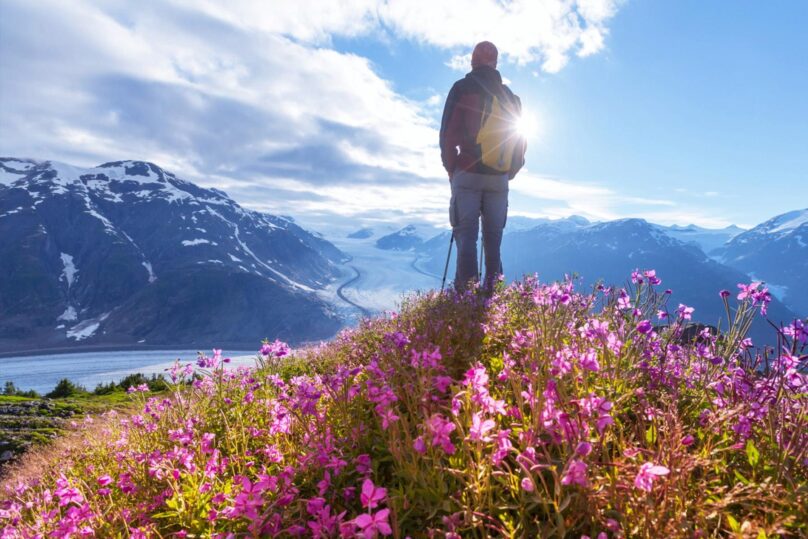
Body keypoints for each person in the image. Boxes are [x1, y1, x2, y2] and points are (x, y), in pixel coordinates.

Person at [440, 41, 526, 292]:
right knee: (493, 242)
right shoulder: (511, 97)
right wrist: (507, 172)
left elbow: (448, 136)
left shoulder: (462, 88)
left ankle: (466, 299)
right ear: (495, 63)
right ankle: (494, 301)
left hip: (467, 172)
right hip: (498, 178)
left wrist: (452, 168)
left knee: (466, 238)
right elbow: (520, 144)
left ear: (472, 61)